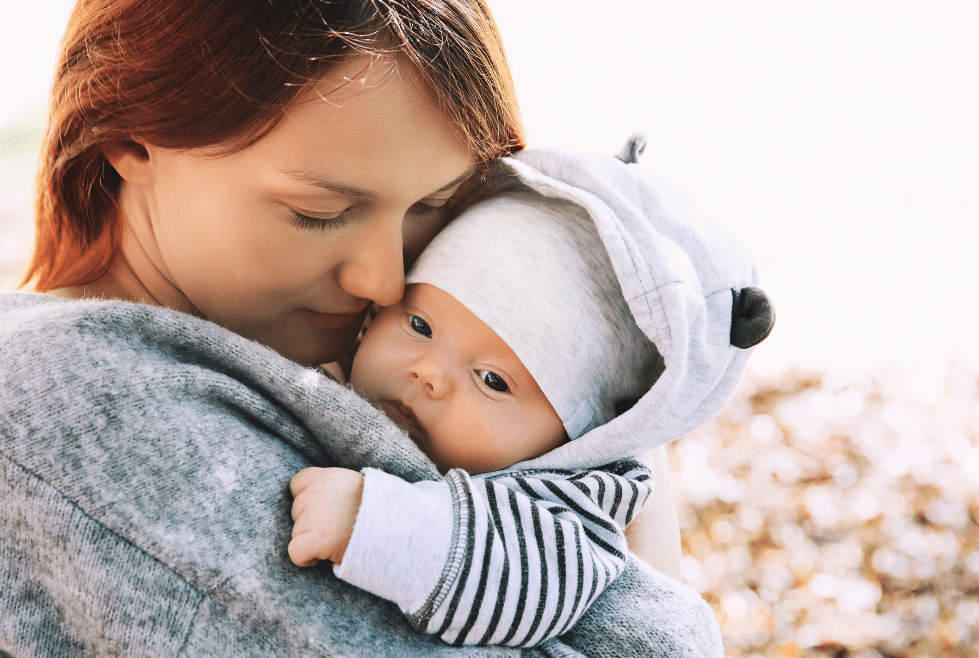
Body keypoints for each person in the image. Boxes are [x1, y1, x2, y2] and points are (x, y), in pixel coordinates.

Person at [1, 1, 726, 656]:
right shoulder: (80, 404)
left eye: (434, 205)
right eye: (319, 213)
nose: (383, 281)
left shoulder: (272, 359)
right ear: (130, 142)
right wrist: (623, 433)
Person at [288, 140, 775, 648]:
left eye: (492, 380)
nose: (429, 373)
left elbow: (533, 583)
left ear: (574, 438)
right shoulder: (322, 367)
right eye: (419, 324)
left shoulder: (567, 499)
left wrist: (380, 527)